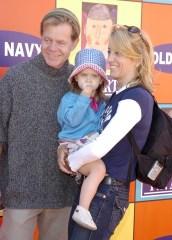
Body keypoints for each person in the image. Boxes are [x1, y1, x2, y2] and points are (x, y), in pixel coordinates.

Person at [58, 24, 155, 240]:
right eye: (110, 51)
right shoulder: (119, 95)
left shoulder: (136, 98)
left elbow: (100, 147)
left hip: (108, 192)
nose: (110, 58)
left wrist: (70, 161)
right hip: (95, 187)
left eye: (118, 53)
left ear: (137, 58)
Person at [0, 7, 80, 240]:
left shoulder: (80, 82)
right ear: (41, 37)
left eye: (61, 42)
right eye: (48, 40)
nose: (53, 48)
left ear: (74, 43)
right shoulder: (15, 78)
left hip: (63, 194)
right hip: (19, 194)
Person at [57, 48, 109, 231]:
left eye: (94, 76)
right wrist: (84, 98)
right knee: (99, 169)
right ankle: (83, 209)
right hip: (73, 144)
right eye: (84, 75)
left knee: (102, 168)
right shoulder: (69, 99)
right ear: (76, 78)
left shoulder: (102, 103)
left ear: (101, 80)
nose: (88, 79)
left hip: (90, 143)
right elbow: (71, 121)